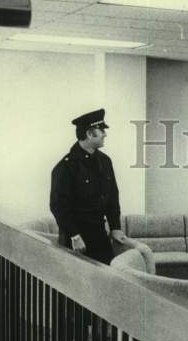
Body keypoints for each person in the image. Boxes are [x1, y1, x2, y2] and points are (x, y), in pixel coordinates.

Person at [49, 108, 128, 265]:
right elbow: (58, 205)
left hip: (99, 234)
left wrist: (115, 227)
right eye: (101, 130)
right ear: (89, 134)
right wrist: (74, 235)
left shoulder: (105, 161)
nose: (105, 134)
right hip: (75, 239)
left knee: (107, 279)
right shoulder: (66, 167)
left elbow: (113, 196)